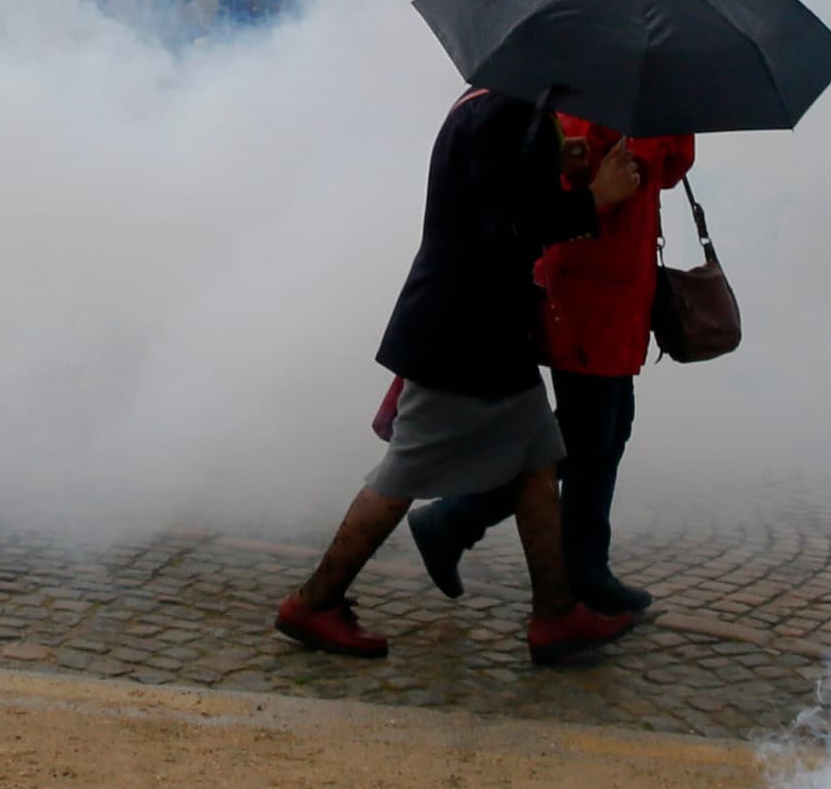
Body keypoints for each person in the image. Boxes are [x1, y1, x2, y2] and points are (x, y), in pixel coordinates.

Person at [275, 88, 643, 667]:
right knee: (402, 474)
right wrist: (593, 198)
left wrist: (560, 163)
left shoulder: (498, 105)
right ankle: (313, 602)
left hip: (484, 325)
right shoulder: (505, 115)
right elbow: (505, 227)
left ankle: (555, 613)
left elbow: (506, 202)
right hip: (461, 329)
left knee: (538, 460)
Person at [405, 116, 695, 617]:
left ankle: (578, 562)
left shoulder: (636, 94)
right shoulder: (599, 94)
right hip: (588, 283)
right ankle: (464, 523)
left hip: (619, 282)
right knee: (586, 436)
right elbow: (638, 169)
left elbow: (665, 167)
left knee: (608, 428)